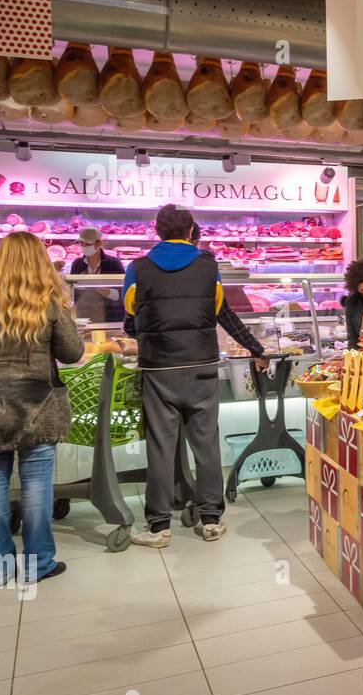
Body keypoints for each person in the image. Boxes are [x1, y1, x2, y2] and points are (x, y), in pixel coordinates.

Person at [0, 231, 84, 585]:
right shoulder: (48, 300)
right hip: (35, 404)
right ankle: (39, 563)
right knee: (36, 485)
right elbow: (73, 353)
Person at [123, 204, 227, 547]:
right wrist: (255, 350)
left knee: (161, 446)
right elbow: (216, 310)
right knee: (206, 443)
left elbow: (130, 317)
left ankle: (158, 527)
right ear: (191, 230)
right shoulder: (208, 265)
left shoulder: (137, 267)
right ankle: (211, 519)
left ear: (156, 230)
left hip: (159, 367)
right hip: (201, 365)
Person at [190, 223, 268, 373]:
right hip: (202, 355)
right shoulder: (207, 267)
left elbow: (132, 323)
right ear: (195, 239)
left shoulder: (143, 267)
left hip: (160, 358)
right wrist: (256, 349)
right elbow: (225, 315)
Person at [70, 227, 126, 323]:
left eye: (88, 244)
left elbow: (123, 293)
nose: (84, 247)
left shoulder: (113, 263)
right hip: (83, 316)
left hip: (109, 317)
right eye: (82, 243)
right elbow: (72, 293)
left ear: (98, 243)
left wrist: (108, 292)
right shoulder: (77, 264)